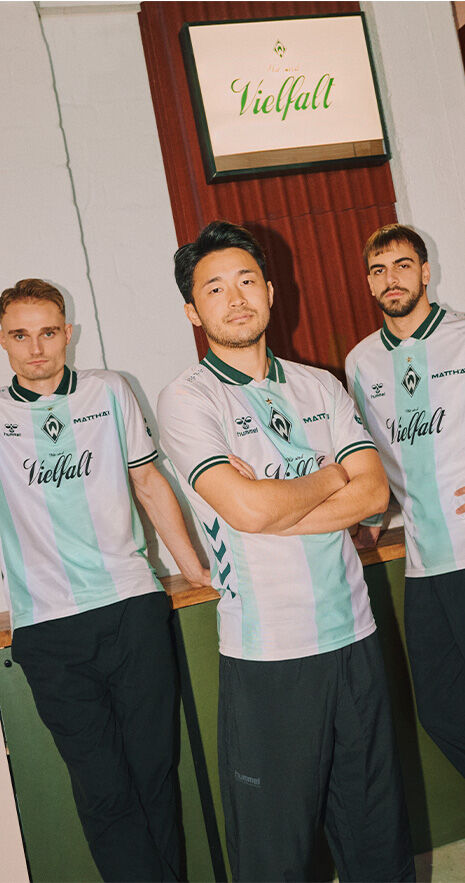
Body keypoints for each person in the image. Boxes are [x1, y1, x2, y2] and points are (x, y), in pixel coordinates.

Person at [157, 220, 415, 882]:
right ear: (192, 310)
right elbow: (245, 512)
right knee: (274, 861)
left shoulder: (319, 385)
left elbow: (373, 494)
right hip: (267, 658)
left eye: (247, 280)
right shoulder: (187, 398)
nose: (235, 297)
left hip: (355, 642)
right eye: (214, 288)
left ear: (271, 291)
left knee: (377, 846)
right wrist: (330, 475)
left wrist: (279, 503)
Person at [0, 278, 210, 883]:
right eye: (20, 335)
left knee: (154, 775)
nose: (36, 348)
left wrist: (192, 568)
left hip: (131, 609)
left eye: (48, 332)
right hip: (47, 630)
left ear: (68, 333)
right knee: (103, 788)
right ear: (3, 340)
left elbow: (149, 482)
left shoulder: (110, 390)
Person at [345, 223, 465, 779]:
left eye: (402, 265)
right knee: (441, 712)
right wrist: (368, 521)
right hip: (422, 567)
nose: (390, 278)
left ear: (425, 271)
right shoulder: (360, 361)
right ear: (369, 283)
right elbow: (369, 453)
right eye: (378, 270)